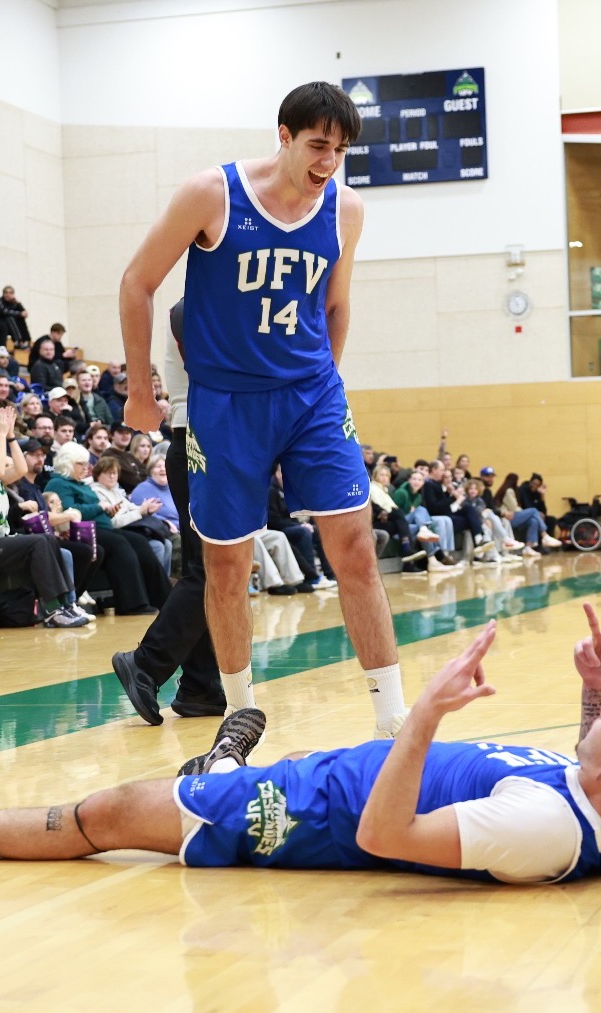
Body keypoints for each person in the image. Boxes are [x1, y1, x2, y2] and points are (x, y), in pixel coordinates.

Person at [0, 606, 601, 885]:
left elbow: (385, 839)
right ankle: (227, 760)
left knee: (107, 813)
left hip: (310, 816)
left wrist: (428, 714)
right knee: (212, 774)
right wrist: (596, 682)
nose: (596, 711)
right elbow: (588, 770)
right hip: (328, 774)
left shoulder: (543, 836)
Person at [120, 82, 406, 734]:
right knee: (225, 565)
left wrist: (324, 385)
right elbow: (137, 282)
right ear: (282, 135)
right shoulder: (211, 194)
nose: (327, 161)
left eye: (339, 150)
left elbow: (335, 304)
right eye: (316, 145)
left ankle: (394, 720)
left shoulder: (345, 209)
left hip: (311, 396)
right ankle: (239, 713)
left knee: (355, 546)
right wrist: (140, 388)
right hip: (225, 403)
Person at [0, 418, 92, 629]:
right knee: (39, 543)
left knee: (48, 540)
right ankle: (53, 610)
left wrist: (10, 436)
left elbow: (21, 468)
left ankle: (65, 605)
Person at [46, 441, 169, 617]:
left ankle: (165, 599)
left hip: (103, 527)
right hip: (83, 530)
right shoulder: (59, 484)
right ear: (68, 463)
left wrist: (105, 509)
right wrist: (99, 507)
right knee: (119, 544)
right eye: (81, 463)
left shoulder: (80, 484)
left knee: (140, 542)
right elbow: (71, 511)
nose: (86, 468)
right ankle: (132, 604)